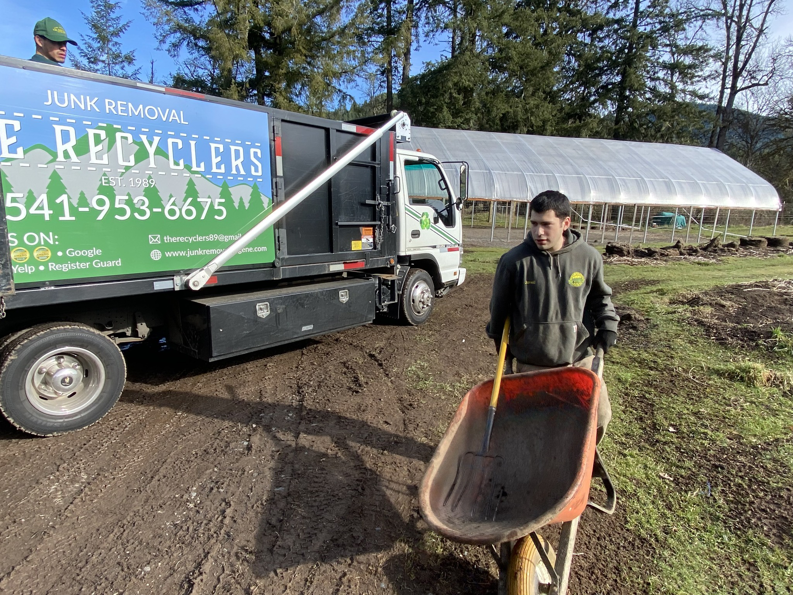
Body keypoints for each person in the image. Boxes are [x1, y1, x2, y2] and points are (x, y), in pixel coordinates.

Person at [486, 190, 619, 443]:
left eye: (546, 225)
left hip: (577, 359)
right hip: (531, 362)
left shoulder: (588, 258)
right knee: (534, 429)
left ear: (565, 223)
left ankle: (581, 461)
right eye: (534, 224)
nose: (539, 232)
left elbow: (601, 299)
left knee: (599, 417)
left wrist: (608, 326)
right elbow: (498, 312)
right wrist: (502, 350)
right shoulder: (514, 261)